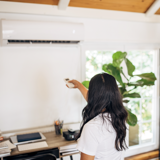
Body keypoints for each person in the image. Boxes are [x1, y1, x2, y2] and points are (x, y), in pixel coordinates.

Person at [67, 73, 128, 160]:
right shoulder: (119, 118)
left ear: (93, 95)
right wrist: (79, 86)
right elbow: (97, 100)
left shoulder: (92, 127)